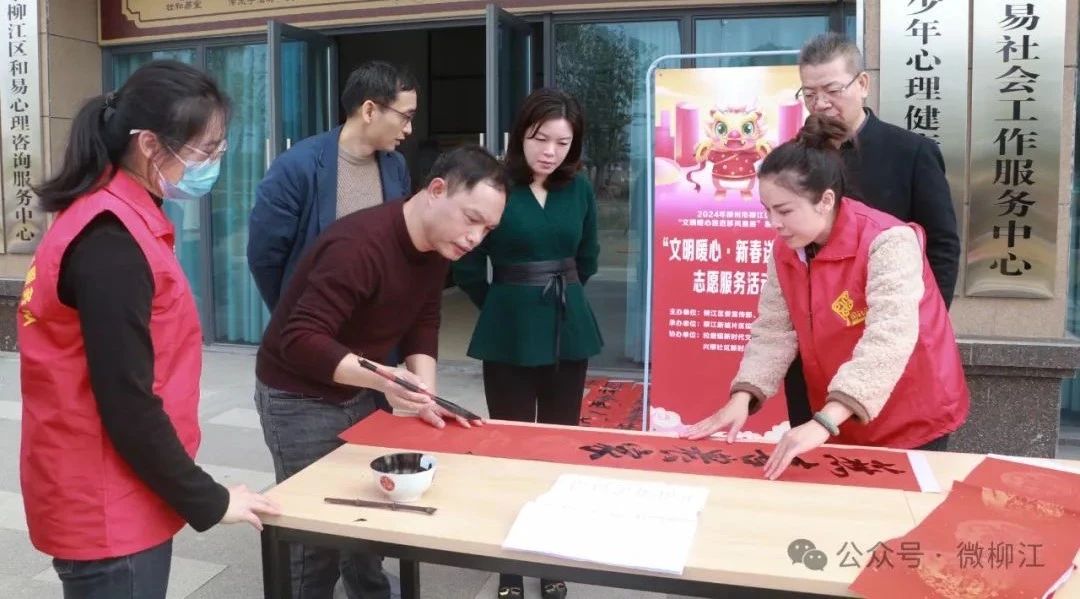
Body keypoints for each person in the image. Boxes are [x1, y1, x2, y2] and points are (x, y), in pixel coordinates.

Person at [18, 60, 280, 599]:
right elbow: (127, 401)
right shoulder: (110, 242)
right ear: (149, 145)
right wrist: (209, 498)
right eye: (205, 150)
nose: (212, 163)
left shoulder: (118, 217)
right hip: (107, 503)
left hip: (113, 485)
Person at [253, 145, 507, 598]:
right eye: (471, 219)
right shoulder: (358, 246)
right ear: (436, 190)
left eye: (487, 229)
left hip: (360, 383)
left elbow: (423, 318)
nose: (474, 239)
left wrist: (425, 393)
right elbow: (301, 340)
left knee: (371, 518)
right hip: (298, 394)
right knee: (315, 537)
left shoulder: (437, 247)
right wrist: (388, 380)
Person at [683, 114, 969, 480]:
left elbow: (889, 340)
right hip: (837, 410)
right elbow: (774, 330)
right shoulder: (786, 249)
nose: (774, 223)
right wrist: (743, 397)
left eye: (785, 210)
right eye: (767, 210)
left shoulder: (887, 241)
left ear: (825, 200)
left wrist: (825, 421)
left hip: (910, 410)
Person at [453, 87, 602, 599]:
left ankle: (552, 557)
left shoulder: (579, 190)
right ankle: (511, 567)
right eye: (541, 138)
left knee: (559, 445)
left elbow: (589, 257)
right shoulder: (496, 186)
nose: (550, 151)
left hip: (568, 327)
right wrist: (502, 304)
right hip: (509, 330)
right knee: (510, 447)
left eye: (563, 142)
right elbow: (468, 260)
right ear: (521, 134)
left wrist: (559, 295)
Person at [782, 32, 962, 428]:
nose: (820, 104)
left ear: (862, 83)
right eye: (809, 94)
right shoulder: (796, 157)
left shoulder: (911, 152)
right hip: (815, 349)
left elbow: (942, 248)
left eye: (832, 90)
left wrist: (915, 326)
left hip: (887, 345)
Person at [248, 60, 417, 313]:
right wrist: (294, 315)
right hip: (316, 320)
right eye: (405, 117)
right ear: (369, 111)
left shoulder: (396, 165)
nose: (410, 129)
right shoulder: (296, 167)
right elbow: (264, 257)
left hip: (379, 320)